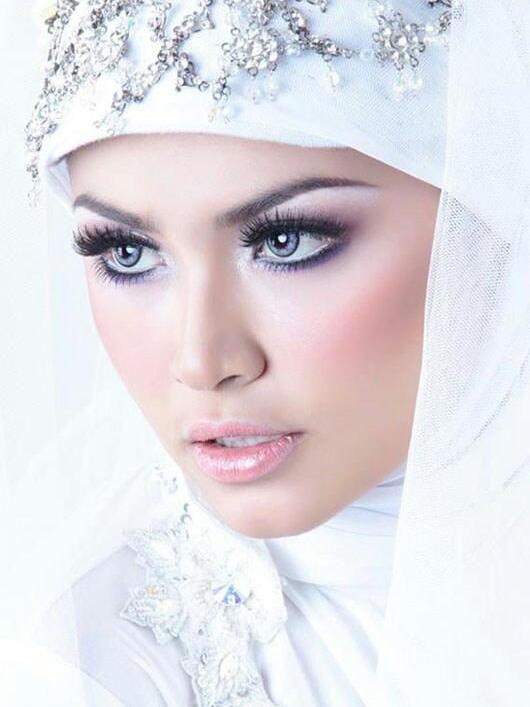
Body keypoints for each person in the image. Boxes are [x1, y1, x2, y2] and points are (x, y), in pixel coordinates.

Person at [1, 1, 529, 705]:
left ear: (489, 217)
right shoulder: (90, 672)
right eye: (127, 253)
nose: (200, 361)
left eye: (287, 242)